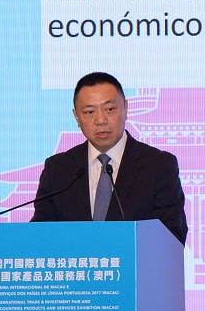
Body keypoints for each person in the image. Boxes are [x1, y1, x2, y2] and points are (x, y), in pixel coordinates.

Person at [31, 71, 188, 244]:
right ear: (77, 117)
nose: (100, 120)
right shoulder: (57, 169)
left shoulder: (158, 166)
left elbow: (173, 235)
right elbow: (39, 236)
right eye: (89, 112)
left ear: (126, 108)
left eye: (110, 109)